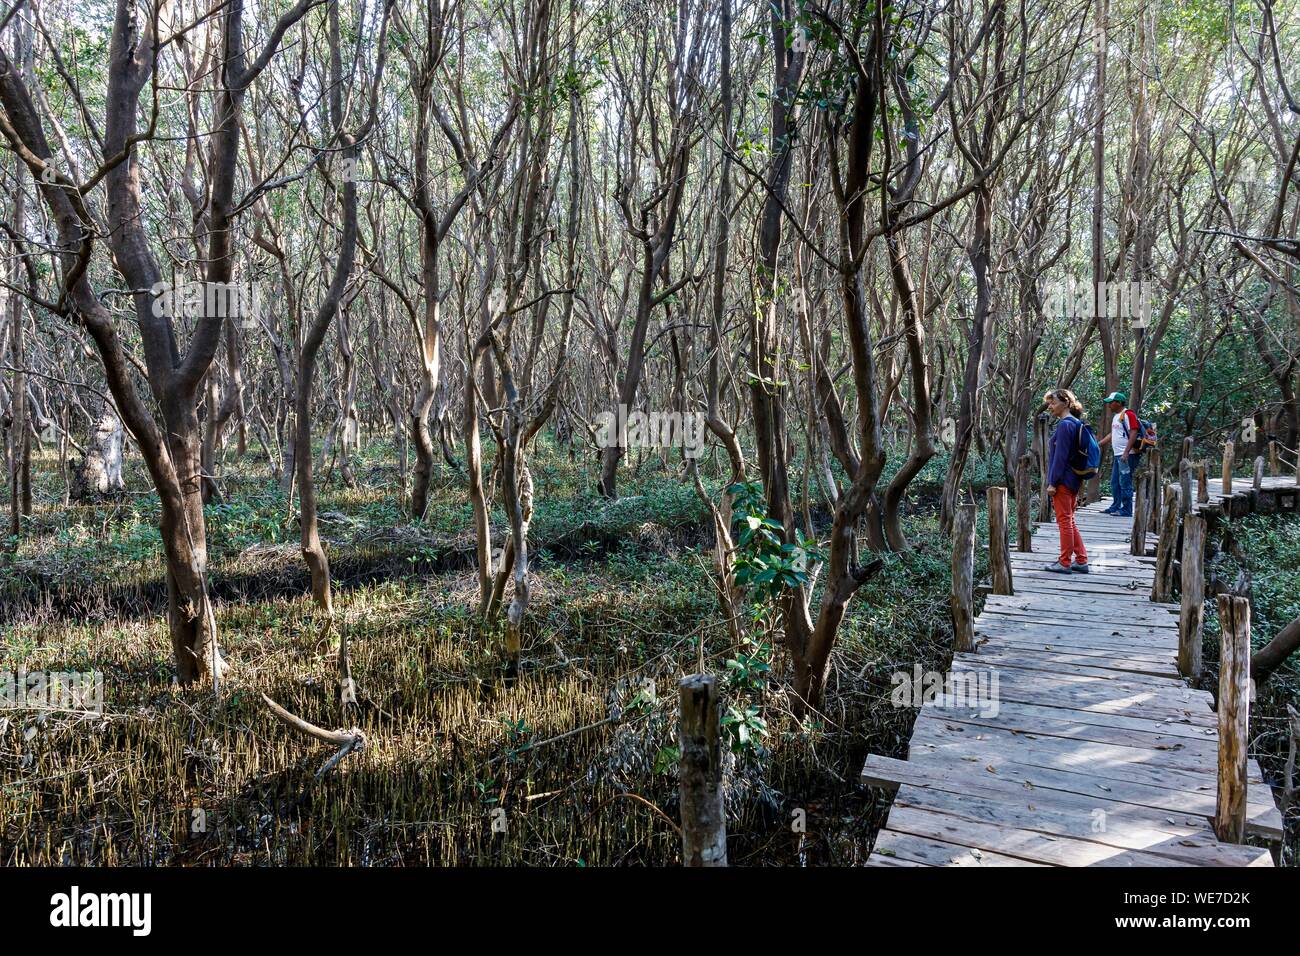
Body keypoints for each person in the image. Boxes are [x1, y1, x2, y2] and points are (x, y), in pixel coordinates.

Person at [1044, 388, 1090, 574]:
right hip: (1074, 479)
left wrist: (1052, 482)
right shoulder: (1076, 423)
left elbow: (1060, 457)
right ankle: (1081, 560)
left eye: (1053, 403)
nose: (1050, 407)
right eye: (1049, 404)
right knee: (1069, 521)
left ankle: (1064, 562)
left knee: (1064, 521)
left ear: (1065, 402)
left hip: (1063, 480)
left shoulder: (1065, 425)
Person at [1098, 390, 1139, 517]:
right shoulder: (1116, 417)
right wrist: (1098, 444)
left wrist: (1126, 452)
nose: (1109, 405)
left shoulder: (1128, 414)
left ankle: (1126, 509)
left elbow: (1134, 432)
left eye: (1111, 403)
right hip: (1118, 455)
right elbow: (1112, 434)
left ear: (1119, 403)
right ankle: (1116, 506)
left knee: (1125, 481)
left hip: (1128, 455)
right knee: (1115, 482)